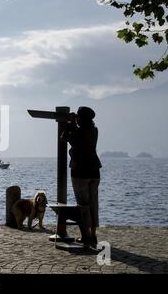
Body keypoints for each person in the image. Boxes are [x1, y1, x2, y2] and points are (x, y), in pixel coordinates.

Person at [61, 106, 102, 247]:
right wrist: (74, 123)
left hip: (80, 172)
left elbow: (64, 137)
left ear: (80, 118)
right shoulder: (94, 130)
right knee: (93, 203)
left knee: (83, 205)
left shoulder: (78, 131)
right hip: (94, 171)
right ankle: (93, 235)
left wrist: (71, 123)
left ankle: (86, 237)